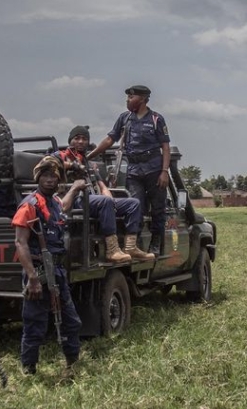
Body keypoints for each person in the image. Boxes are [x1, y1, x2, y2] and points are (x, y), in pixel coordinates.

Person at [11, 156, 84, 376]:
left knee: (71, 321)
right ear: (38, 178)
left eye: (54, 176)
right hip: (39, 272)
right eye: (45, 176)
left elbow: (65, 206)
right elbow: (20, 242)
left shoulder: (54, 203)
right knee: (35, 322)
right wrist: (32, 278)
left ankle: (72, 364)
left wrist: (77, 188)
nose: (50, 180)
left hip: (58, 271)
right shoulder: (29, 205)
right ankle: (29, 369)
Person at [87, 85, 172, 256]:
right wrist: (90, 156)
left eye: (131, 97)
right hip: (134, 170)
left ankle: (155, 244)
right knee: (136, 207)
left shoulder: (156, 119)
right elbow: (110, 139)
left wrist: (164, 171)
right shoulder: (125, 118)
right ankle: (135, 243)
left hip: (154, 169)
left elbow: (165, 147)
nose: (127, 100)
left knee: (158, 209)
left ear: (142, 99)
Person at [52, 125, 153, 263]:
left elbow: (102, 186)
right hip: (75, 199)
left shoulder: (87, 162)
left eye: (84, 139)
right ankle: (112, 250)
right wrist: (72, 166)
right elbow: (47, 164)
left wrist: (111, 200)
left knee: (133, 203)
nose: (81, 142)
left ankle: (130, 247)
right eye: (77, 138)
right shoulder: (61, 155)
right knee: (104, 201)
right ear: (71, 140)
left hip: (91, 199)